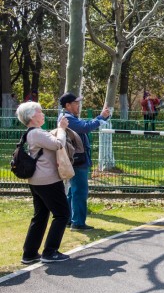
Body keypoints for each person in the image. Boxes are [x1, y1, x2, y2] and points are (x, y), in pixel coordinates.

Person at [16, 101, 71, 264]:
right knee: (62, 214)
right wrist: (61, 129)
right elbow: (58, 144)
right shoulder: (36, 133)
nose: (43, 114)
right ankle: (50, 251)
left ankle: (30, 253)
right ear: (33, 116)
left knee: (40, 215)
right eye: (40, 112)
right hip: (48, 180)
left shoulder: (32, 133)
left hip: (37, 180)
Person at [59, 92, 110, 230]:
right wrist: (101, 117)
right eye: (76, 103)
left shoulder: (68, 117)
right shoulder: (68, 118)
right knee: (80, 191)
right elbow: (86, 127)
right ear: (68, 105)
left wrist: (102, 117)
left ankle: (70, 219)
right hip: (77, 160)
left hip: (75, 159)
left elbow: (86, 125)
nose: (78, 105)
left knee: (73, 191)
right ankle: (78, 222)